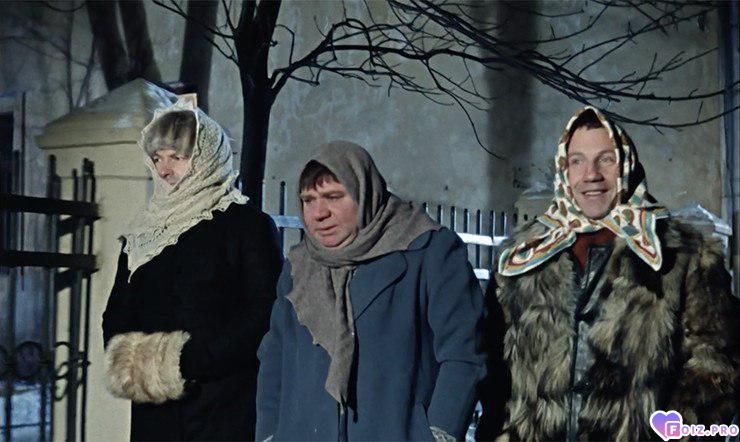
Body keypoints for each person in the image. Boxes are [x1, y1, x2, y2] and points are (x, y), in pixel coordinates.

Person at [491, 106, 739, 441]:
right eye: (577, 161)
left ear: (626, 164)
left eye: (605, 159)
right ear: (563, 169)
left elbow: (717, 367)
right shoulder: (523, 257)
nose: (591, 174)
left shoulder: (681, 255)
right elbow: (492, 368)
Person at [255, 141, 485, 441]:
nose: (318, 213)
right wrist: (270, 435)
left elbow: (463, 353)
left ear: (364, 193)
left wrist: (438, 433)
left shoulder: (429, 251)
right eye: (308, 200)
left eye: (333, 196)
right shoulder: (300, 266)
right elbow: (275, 359)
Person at [102, 101, 282, 441]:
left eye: (177, 157)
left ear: (205, 157)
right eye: (157, 158)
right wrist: (137, 366)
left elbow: (264, 313)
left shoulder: (247, 226)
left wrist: (184, 362)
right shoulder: (144, 234)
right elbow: (116, 314)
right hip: (155, 411)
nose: (165, 170)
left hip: (223, 407)